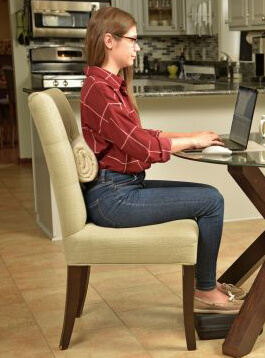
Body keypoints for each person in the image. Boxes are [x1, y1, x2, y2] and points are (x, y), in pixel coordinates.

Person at [81, 7, 245, 314]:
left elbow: (137, 134)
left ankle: (206, 283)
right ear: (109, 41)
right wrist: (190, 142)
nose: (138, 47)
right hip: (113, 198)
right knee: (211, 200)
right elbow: (139, 146)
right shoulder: (100, 90)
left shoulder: (107, 85)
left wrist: (190, 136)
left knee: (208, 196)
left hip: (121, 188)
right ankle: (206, 289)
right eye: (132, 40)